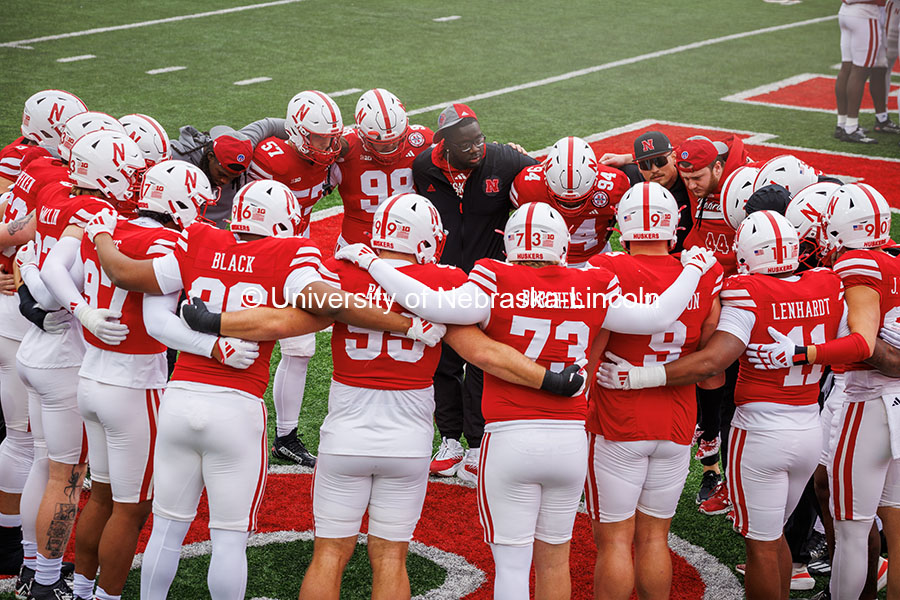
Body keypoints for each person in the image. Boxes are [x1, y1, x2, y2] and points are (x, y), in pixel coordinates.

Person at [336, 201, 717, 599]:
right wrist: (692, 269)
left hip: (510, 437)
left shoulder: (494, 276)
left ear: (511, 245)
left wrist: (373, 263)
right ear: (562, 244)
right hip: (568, 443)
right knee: (555, 561)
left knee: (513, 565)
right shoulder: (590, 283)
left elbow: (434, 306)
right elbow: (657, 316)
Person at [597, 210, 845, 600]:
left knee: (759, 545)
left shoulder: (745, 290)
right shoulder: (828, 283)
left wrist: (641, 375)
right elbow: (858, 344)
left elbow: (714, 363)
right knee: (771, 536)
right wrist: (811, 352)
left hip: (758, 429)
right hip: (808, 425)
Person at [39, 160, 217, 600]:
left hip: (91, 377)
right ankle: (107, 595)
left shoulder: (107, 227)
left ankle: (81, 589)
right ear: (179, 201)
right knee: (131, 507)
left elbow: (55, 275)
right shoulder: (171, 244)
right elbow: (154, 307)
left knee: (99, 496)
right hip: (135, 385)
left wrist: (81, 309)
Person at [746, 183, 900, 600]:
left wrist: (802, 351)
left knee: (851, 526)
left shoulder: (856, 264)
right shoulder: (893, 255)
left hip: (867, 399)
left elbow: (865, 344)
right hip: (884, 402)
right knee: (884, 518)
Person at [19, 130, 144, 600]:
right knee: (65, 475)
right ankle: (45, 581)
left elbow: (31, 258)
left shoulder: (55, 193)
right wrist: (82, 309)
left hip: (37, 348)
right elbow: (51, 280)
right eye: (129, 173)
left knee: (43, 461)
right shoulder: (94, 209)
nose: (135, 182)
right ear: (108, 173)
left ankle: (33, 566)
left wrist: (33, 279)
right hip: (65, 355)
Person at [586, 182, 724, 600]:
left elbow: (591, 350)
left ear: (623, 229)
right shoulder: (704, 272)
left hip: (618, 421)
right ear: (673, 227)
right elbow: (709, 361)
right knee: (653, 539)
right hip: (677, 421)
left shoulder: (606, 269)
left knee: (613, 541)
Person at [412, 103, 537, 482]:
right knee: (444, 363)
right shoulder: (424, 167)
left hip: (489, 278)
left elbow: (544, 178)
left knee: (482, 362)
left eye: (479, 139)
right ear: (444, 145)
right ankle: (449, 439)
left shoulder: (503, 159)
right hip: (444, 279)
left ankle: (477, 444)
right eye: (466, 144)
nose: (476, 148)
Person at [247, 90, 345, 467]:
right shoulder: (268, 158)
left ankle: (285, 436)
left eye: (332, 137)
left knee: (300, 348)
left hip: (295, 253)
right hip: (255, 256)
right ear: (299, 133)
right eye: (321, 138)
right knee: (242, 342)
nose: (329, 145)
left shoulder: (331, 161)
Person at [330, 88, 434, 248]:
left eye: (398, 140)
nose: (391, 146)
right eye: (382, 144)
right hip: (357, 243)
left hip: (408, 238)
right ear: (362, 134)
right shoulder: (346, 148)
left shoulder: (420, 141)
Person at [510, 136, 630, 267]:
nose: (571, 206)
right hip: (545, 261)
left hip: (596, 258)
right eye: (563, 201)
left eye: (578, 201)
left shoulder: (615, 184)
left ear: (595, 180)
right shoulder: (527, 184)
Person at [168, 117, 286, 228]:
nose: (225, 181)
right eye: (222, 174)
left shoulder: (241, 148)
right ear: (210, 157)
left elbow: (271, 125)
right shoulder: (177, 158)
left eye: (233, 177)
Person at [598, 130, 693, 253]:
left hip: (683, 259)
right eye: (645, 164)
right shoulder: (629, 176)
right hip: (640, 260)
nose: (654, 169)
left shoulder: (691, 179)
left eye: (660, 161)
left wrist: (628, 157)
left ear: (674, 157)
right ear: (638, 167)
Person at [834, 0, 900, 143]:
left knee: (852, 67)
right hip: (866, 13)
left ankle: (843, 123)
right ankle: (851, 127)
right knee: (860, 70)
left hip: (846, 11)